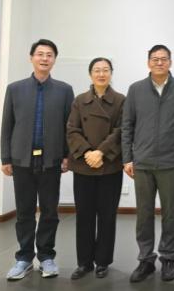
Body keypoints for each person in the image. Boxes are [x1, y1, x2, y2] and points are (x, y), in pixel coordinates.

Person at [0, 39, 74, 280]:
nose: (44, 58)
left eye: (49, 54)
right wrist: (6, 157)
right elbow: (7, 126)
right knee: (24, 211)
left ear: (54, 59)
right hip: (21, 160)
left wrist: (67, 155)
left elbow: (69, 127)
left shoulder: (64, 90)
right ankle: (23, 258)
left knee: (50, 211)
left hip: (51, 161)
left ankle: (46, 257)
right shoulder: (15, 89)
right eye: (40, 54)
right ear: (31, 57)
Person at [122, 45, 174, 283]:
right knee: (144, 214)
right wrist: (127, 158)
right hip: (142, 162)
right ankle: (146, 260)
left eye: (163, 59)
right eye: (155, 59)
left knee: (170, 214)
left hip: (171, 162)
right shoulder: (136, 89)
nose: (159, 62)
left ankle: (169, 259)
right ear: (148, 62)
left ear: (170, 62)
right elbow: (127, 125)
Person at [67, 58, 125, 280]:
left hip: (109, 165)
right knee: (84, 216)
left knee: (107, 216)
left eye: (105, 70)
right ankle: (84, 262)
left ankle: (103, 261)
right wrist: (88, 153)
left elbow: (120, 130)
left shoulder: (120, 100)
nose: (101, 74)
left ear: (111, 73)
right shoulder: (79, 100)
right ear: (90, 74)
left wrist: (100, 152)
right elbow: (72, 129)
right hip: (84, 166)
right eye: (97, 70)